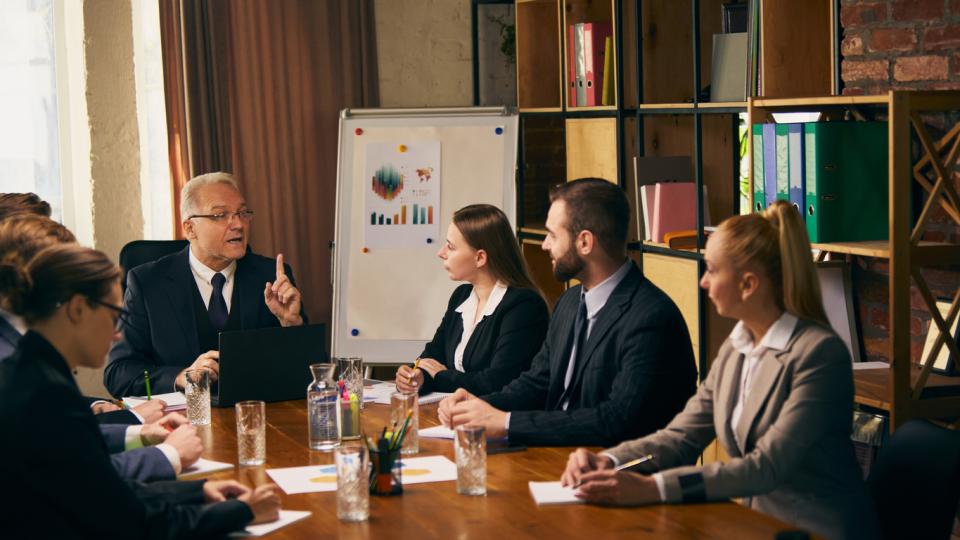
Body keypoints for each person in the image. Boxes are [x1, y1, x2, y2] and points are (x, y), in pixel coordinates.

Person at [559, 201, 880, 540]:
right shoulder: (737, 346)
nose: (703, 282)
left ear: (748, 284)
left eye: (711, 270)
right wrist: (608, 461)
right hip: (756, 525)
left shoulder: (819, 355)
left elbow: (766, 467)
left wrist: (653, 488)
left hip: (818, 530)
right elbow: (681, 436)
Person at [0, 242, 280, 537]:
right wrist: (243, 511)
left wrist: (195, 492)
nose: (117, 333)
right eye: (114, 315)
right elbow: (134, 524)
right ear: (77, 309)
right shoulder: (45, 397)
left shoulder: (29, 373)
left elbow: (102, 490)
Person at [439, 178, 697, 447]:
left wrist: (506, 423)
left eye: (552, 235)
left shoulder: (651, 317)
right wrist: (478, 406)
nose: (544, 245)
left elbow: (617, 419)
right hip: (556, 455)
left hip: (613, 466)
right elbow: (537, 383)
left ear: (584, 242)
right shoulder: (569, 301)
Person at [105, 172, 308, 397]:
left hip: (256, 413)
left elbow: (310, 372)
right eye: (220, 215)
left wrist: (292, 325)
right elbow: (118, 374)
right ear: (190, 228)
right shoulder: (147, 283)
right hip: (183, 416)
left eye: (242, 213)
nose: (238, 224)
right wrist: (181, 377)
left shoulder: (271, 277)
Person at [0, 213, 162, 425]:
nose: (116, 334)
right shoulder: (19, 366)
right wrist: (136, 421)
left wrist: (93, 406)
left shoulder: (32, 350)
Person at [394, 204, 548, 396]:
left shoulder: (524, 307)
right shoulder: (461, 296)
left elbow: (497, 382)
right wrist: (415, 376)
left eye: (451, 247)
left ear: (480, 258)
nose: (441, 253)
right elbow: (431, 357)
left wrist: (441, 376)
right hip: (452, 410)